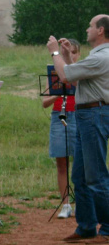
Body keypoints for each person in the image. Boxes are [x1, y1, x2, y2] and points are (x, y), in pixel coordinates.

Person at [47, 14, 109, 244]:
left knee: (95, 175)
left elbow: (64, 76)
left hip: (94, 115)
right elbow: (76, 78)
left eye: (91, 26)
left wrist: (54, 52)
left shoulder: (102, 57)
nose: (87, 29)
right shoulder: (98, 56)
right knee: (80, 174)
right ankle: (86, 226)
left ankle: (107, 228)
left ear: (101, 30)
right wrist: (65, 56)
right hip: (88, 115)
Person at [41, 39, 80, 219]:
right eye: (67, 52)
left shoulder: (82, 72)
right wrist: (58, 94)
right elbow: (44, 102)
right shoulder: (56, 74)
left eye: (73, 52)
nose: (70, 55)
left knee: (81, 163)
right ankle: (65, 204)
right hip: (59, 117)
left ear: (78, 55)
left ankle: (82, 202)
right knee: (61, 163)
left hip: (79, 117)